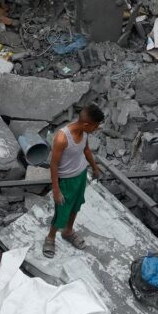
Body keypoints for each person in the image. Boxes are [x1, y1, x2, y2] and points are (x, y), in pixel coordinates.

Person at [43, 105, 105, 258]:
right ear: (87, 124)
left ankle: (68, 231)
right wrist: (56, 190)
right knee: (62, 211)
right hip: (66, 181)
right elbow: (54, 165)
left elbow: (86, 150)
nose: (96, 129)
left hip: (80, 176)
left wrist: (94, 168)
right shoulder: (62, 138)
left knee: (76, 206)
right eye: (95, 126)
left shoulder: (84, 132)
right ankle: (50, 237)